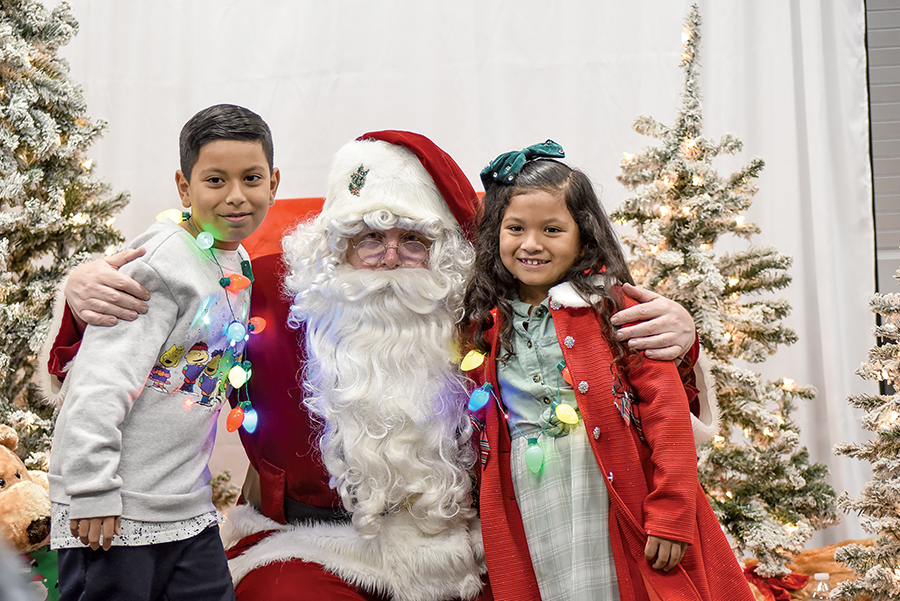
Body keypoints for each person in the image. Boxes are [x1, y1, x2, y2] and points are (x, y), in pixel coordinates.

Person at [43, 132, 698, 601]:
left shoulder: (487, 310)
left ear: (444, 251)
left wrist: (680, 336)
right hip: (313, 545)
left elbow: (608, 370)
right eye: (367, 238)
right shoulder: (264, 291)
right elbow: (157, 322)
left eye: (411, 240)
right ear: (333, 247)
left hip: (475, 549)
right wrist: (81, 296)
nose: (387, 257)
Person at [457, 141, 752, 601]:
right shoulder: (484, 325)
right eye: (515, 228)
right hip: (530, 499)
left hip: (608, 491)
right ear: (496, 232)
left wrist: (672, 512)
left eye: (552, 229)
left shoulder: (615, 310)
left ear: (583, 235)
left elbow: (667, 415)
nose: (531, 244)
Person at [46, 103, 280, 601]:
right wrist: (91, 489)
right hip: (113, 509)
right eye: (215, 180)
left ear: (273, 183)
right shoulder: (160, 263)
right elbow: (100, 381)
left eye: (251, 178)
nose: (236, 197)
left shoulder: (234, 258)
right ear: (184, 186)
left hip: (184, 505)